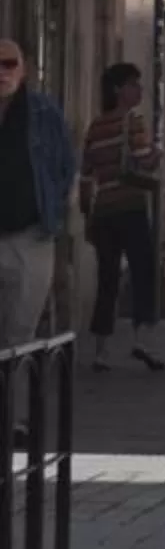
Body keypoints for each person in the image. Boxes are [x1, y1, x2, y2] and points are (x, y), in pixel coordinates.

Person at [81, 63, 163, 372]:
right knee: (144, 272)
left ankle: (101, 351)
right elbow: (145, 161)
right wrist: (158, 152)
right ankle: (142, 341)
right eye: (133, 84)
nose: (139, 89)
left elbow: (86, 175)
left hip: (103, 210)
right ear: (118, 89)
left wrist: (88, 215)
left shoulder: (95, 125)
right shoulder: (134, 122)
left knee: (107, 278)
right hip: (130, 206)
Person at [0, 40, 76, 357]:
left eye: (9, 64)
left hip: (30, 234)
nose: (2, 72)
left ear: (23, 69)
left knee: (20, 331)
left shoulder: (44, 112)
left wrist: (54, 213)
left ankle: (12, 404)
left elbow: (64, 167)